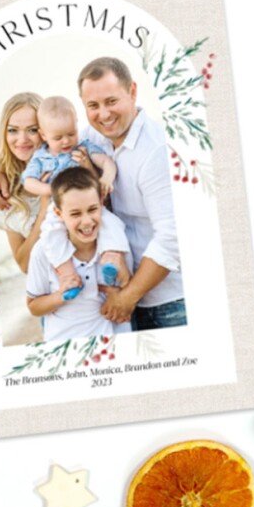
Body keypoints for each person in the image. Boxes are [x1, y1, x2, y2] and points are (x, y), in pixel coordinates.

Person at [77, 56, 184, 330]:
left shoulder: (156, 151)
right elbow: (49, 144)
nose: (104, 114)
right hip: (124, 299)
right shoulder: (94, 136)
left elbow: (172, 238)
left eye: (111, 101)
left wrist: (127, 297)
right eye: (93, 105)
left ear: (132, 91)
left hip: (170, 303)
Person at [21, 95, 131, 297]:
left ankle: (111, 257)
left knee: (112, 223)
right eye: (58, 137)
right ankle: (67, 275)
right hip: (60, 210)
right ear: (43, 135)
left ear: (77, 126)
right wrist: (50, 190)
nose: (66, 141)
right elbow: (28, 182)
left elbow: (106, 161)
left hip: (89, 206)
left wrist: (106, 177)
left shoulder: (83, 147)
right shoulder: (40, 157)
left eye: (71, 133)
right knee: (50, 234)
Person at [26, 167, 133, 342]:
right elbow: (33, 306)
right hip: (64, 342)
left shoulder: (115, 245)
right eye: (75, 214)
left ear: (101, 203)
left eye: (92, 210)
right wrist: (60, 295)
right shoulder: (43, 251)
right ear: (59, 214)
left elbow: (129, 287)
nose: (87, 221)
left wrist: (120, 290)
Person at [0, 92, 47, 273]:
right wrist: (45, 209)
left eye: (32, 130)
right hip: (51, 294)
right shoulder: (6, 192)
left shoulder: (67, 166)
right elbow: (25, 265)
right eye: (13, 130)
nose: (22, 139)